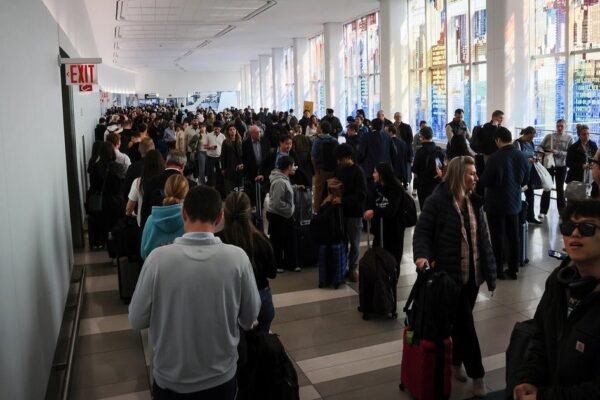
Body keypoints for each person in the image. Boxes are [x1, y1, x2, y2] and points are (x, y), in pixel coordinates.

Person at [129, 185, 261, 399]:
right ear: (220, 217)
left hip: (170, 380)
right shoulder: (237, 258)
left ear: (183, 213)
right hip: (221, 378)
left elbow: (136, 319)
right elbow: (250, 316)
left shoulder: (157, 260)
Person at [413, 156, 497, 398]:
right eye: (471, 173)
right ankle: (478, 375)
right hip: (449, 276)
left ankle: (455, 361)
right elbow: (422, 231)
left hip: (472, 275)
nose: (476, 177)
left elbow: (483, 239)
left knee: (460, 323)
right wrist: (421, 256)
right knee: (466, 324)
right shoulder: (438, 201)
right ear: (459, 175)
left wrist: (490, 269)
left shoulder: (474, 201)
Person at [514, 200, 600, 400]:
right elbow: (540, 334)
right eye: (568, 227)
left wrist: (545, 397)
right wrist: (529, 378)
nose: (575, 234)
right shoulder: (560, 280)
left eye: (587, 228)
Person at [218, 192, 277, 332]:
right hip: (261, 297)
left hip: (229, 299)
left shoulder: (218, 241)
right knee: (262, 340)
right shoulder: (261, 240)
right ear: (249, 212)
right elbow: (272, 272)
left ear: (224, 213)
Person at [480, 127, 529, 280]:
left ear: (498, 140)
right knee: (514, 236)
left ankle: (499, 269)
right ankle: (514, 269)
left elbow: (485, 180)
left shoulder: (494, 157)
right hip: (514, 202)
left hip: (496, 203)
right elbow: (525, 180)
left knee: (497, 237)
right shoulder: (522, 156)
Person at [334, 144, 367, 282]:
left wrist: (343, 200)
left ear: (348, 157)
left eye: (341, 159)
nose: (339, 162)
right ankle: (343, 267)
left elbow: (361, 194)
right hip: (342, 211)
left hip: (354, 213)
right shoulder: (341, 170)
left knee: (354, 242)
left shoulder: (358, 172)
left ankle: (353, 268)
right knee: (343, 241)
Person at [363, 163, 406, 266]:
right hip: (379, 230)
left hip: (394, 230)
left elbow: (392, 210)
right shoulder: (376, 187)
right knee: (378, 258)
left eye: (375, 172)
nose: (373, 175)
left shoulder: (396, 188)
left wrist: (374, 212)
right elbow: (369, 202)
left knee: (393, 259)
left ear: (382, 174)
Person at [140, 150, 197, 228]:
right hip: (182, 230)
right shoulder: (192, 185)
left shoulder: (151, 182)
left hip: (154, 228)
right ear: (183, 166)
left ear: (166, 164)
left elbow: (145, 212)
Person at [140, 174, 189, 259]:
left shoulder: (151, 220)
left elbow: (143, 253)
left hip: (155, 266)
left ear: (165, 192)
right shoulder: (190, 221)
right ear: (186, 193)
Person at [86, 141, 124, 249]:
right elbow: (120, 186)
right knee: (115, 224)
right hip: (115, 201)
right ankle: (115, 243)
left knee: (102, 223)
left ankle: (101, 242)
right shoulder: (118, 167)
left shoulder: (95, 167)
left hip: (101, 202)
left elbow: (93, 187)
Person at [266, 156, 300, 273]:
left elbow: (285, 191)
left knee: (289, 239)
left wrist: (295, 188)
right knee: (278, 241)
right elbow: (277, 202)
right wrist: (290, 209)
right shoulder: (279, 181)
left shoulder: (283, 178)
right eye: (293, 165)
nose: (294, 168)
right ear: (288, 167)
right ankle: (278, 264)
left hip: (283, 214)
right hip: (278, 214)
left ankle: (290, 264)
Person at [538, 119, 574, 219]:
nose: (559, 128)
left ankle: (562, 212)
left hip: (562, 165)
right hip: (549, 165)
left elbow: (570, 153)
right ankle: (543, 211)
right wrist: (542, 152)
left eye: (561, 126)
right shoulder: (549, 136)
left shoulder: (569, 138)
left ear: (565, 126)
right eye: (558, 126)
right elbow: (540, 146)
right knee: (547, 187)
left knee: (560, 189)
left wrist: (558, 152)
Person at [126, 150, 165, 227]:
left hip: (144, 224)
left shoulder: (138, 182)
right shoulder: (167, 181)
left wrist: (132, 213)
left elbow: (129, 208)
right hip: (162, 224)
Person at [514, 127, 542, 224]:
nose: (531, 139)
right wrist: (527, 160)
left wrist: (535, 158)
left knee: (530, 195)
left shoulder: (531, 143)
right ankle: (518, 217)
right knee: (518, 194)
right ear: (525, 134)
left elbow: (532, 154)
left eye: (533, 137)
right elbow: (516, 158)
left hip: (530, 172)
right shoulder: (517, 143)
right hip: (521, 173)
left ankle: (530, 216)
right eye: (530, 137)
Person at [412, 126, 444, 209]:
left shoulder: (420, 152)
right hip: (437, 184)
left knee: (425, 207)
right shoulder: (439, 150)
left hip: (423, 185)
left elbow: (415, 169)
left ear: (422, 137)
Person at [311, 121, 339, 213]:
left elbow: (313, 156)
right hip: (333, 169)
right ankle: (331, 211)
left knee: (318, 191)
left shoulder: (318, 140)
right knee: (332, 191)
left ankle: (317, 211)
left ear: (321, 129)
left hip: (321, 170)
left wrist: (315, 170)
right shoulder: (335, 140)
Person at [242, 125, 270, 206]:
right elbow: (244, 158)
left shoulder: (265, 141)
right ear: (251, 134)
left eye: (260, 132)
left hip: (263, 170)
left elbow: (268, 156)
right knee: (253, 191)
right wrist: (246, 170)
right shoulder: (246, 144)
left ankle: (262, 205)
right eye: (257, 132)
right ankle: (254, 206)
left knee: (263, 190)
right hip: (252, 171)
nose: (259, 134)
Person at [220, 125, 244, 196]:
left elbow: (244, 154)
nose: (232, 131)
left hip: (239, 166)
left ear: (236, 131)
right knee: (230, 186)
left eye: (234, 129)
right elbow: (223, 156)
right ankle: (231, 199)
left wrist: (243, 164)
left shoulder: (240, 141)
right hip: (229, 166)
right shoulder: (225, 142)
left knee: (239, 186)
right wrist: (223, 168)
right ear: (228, 132)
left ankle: (239, 198)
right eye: (230, 130)